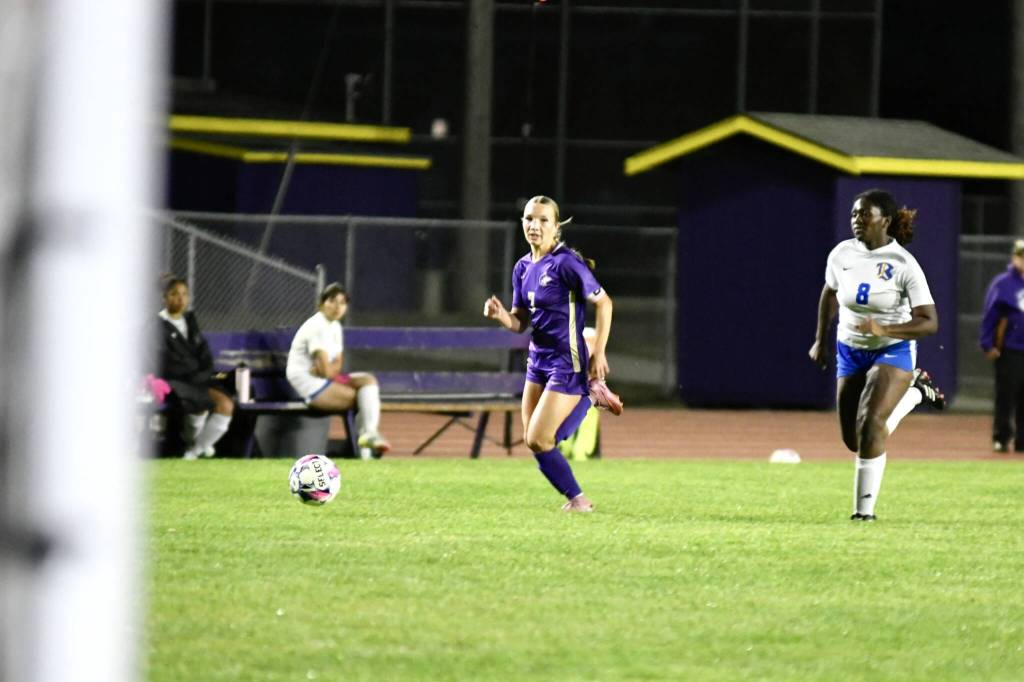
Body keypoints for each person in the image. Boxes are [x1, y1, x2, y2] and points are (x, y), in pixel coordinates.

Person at [808, 189, 946, 521]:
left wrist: (886, 331)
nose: (857, 220)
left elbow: (929, 322)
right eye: (854, 214)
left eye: (865, 214)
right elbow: (830, 293)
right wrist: (820, 341)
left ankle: (863, 514)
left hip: (892, 350)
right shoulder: (842, 253)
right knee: (853, 440)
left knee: (872, 425)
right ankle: (915, 393)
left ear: (885, 220)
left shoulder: (903, 263)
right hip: (850, 350)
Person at [483, 195, 623, 512]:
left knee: (539, 439)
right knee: (535, 440)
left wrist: (598, 352)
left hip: (566, 362)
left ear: (556, 226)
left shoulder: (566, 263)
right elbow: (520, 323)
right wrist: (502, 315)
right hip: (537, 362)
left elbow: (605, 303)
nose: (535, 225)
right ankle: (577, 500)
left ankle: (580, 500)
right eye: (529, 218)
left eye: (543, 220)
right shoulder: (522, 267)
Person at [286, 283, 390, 458]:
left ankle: (369, 435)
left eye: (342, 303)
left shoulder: (334, 326)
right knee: (361, 398)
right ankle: (365, 450)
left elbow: (335, 365)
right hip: (306, 383)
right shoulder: (317, 326)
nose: (337, 307)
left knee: (368, 381)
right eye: (332, 301)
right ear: (321, 304)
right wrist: (327, 370)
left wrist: (326, 370)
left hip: (321, 378)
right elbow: (327, 371)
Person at [157, 276, 234, 460]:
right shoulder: (156, 326)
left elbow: (204, 353)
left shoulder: (190, 321)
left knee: (226, 405)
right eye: (175, 294)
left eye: (184, 294)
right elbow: (164, 361)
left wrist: (205, 372)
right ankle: (194, 448)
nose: (181, 298)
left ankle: (194, 450)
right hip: (175, 382)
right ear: (164, 298)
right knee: (198, 405)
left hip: (198, 379)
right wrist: (193, 374)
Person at [978, 239, 1024, 453]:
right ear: (1014, 258)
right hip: (1010, 349)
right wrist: (988, 343)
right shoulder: (1003, 283)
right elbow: (991, 315)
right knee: (1006, 394)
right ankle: (1001, 436)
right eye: (1020, 256)